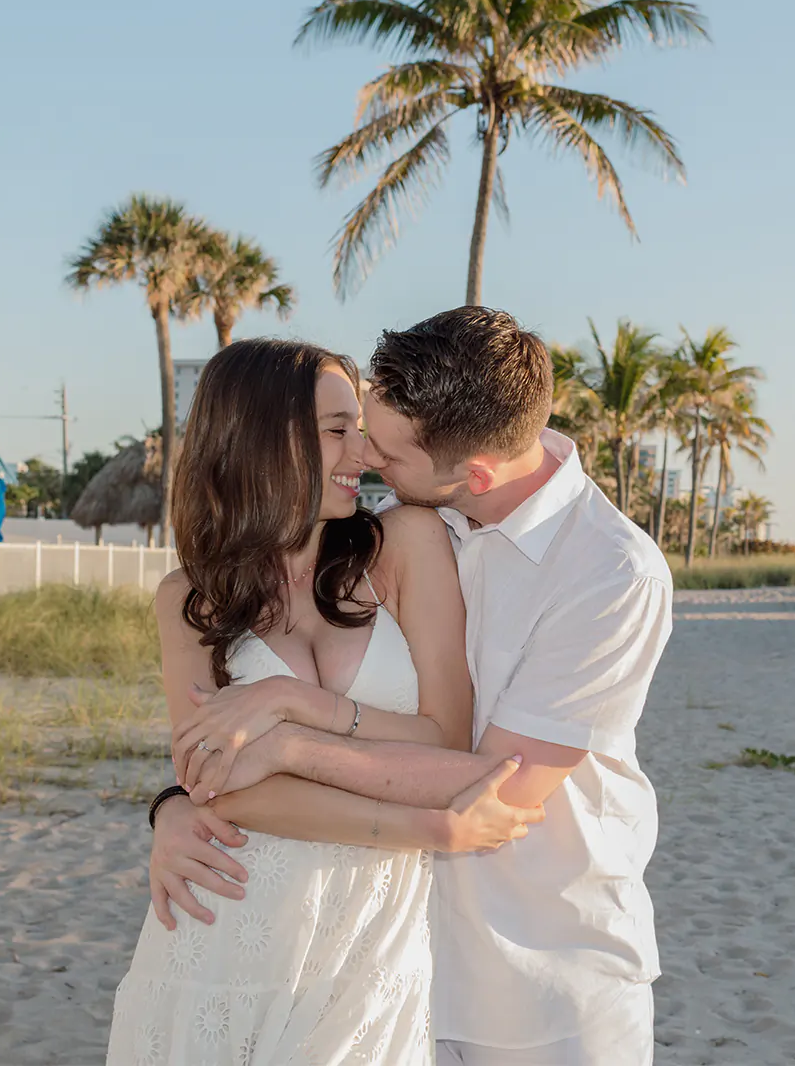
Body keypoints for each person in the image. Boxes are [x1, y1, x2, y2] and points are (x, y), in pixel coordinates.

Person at [152, 307, 675, 1065]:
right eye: (351, 429)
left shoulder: (607, 573)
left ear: (475, 474)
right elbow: (213, 743)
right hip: (389, 953)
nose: (365, 458)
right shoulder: (414, 518)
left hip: (542, 968)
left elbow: (500, 783)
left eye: (382, 449)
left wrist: (292, 730)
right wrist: (174, 802)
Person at [106, 338, 538, 1066]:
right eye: (337, 430)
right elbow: (217, 787)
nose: (363, 453)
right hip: (225, 926)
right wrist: (426, 830)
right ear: (261, 439)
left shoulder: (403, 544)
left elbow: (447, 742)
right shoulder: (188, 599)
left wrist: (292, 709)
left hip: (372, 941)